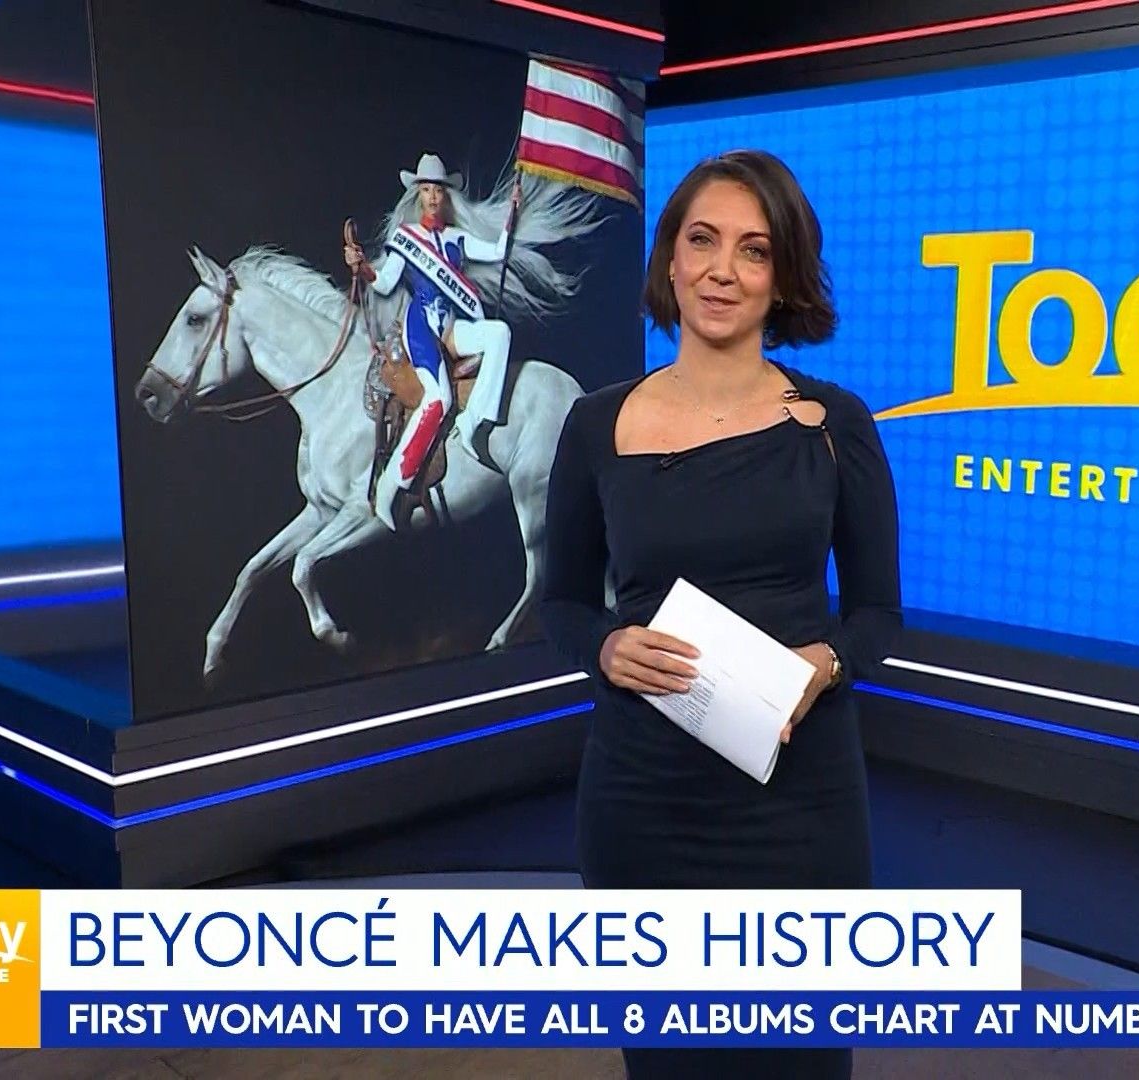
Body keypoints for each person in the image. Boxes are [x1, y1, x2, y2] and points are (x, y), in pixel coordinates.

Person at [538, 149, 902, 1080]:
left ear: (783, 276)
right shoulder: (596, 423)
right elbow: (563, 602)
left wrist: (826, 663)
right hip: (643, 802)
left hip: (800, 802)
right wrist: (606, 646)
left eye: (754, 249)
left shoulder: (837, 424)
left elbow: (877, 614)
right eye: (702, 240)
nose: (722, 271)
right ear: (670, 257)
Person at [347, 151, 604, 528]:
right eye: (427, 190)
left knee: (499, 333)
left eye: (439, 190)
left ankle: (473, 423)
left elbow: (498, 252)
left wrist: (513, 213)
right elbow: (384, 283)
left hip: (450, 328)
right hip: (421, 329)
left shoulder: (456, 238)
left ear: (446, 196)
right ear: (418, 195)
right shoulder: (406, 239)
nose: (434, 197)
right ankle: (394, 483)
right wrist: (363, 268)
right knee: (439, 398)